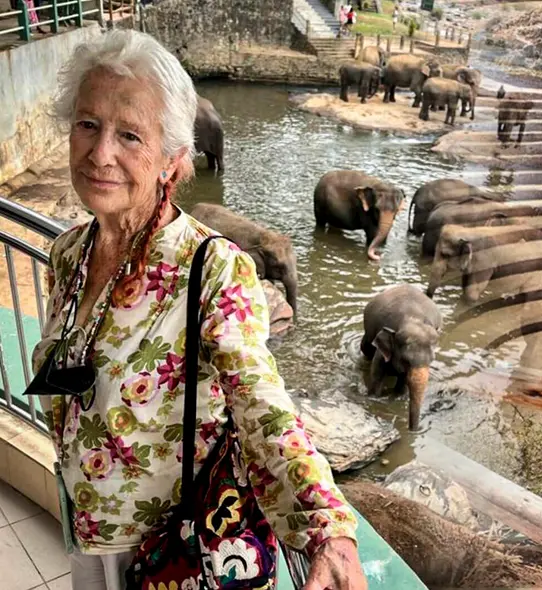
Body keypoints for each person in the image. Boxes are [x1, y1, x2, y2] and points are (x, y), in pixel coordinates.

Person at [31, 29, 366, 590]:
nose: (101, 152)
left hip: (172, 552)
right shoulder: (68, 252)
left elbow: (262, 402)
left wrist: (328, 528)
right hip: (85, 529)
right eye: (87, 124)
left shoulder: (213, 267)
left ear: (173, 160)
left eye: (130, 135)